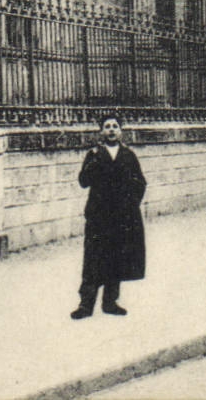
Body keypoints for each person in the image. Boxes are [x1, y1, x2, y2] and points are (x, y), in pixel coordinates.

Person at [72, 114, 147, 319]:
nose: (112, 130)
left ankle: (110, 302)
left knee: (116, 258)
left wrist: (131, 205)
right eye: (107, 126)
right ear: (101, 131)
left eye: (115, 126)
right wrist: (93, 164)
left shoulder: (128, 155)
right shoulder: (94, 153)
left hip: (122, 218)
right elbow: (83, 181)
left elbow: (140, 183)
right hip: (99, 217)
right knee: (93, 259)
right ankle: (86, 305)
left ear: (121, 131)